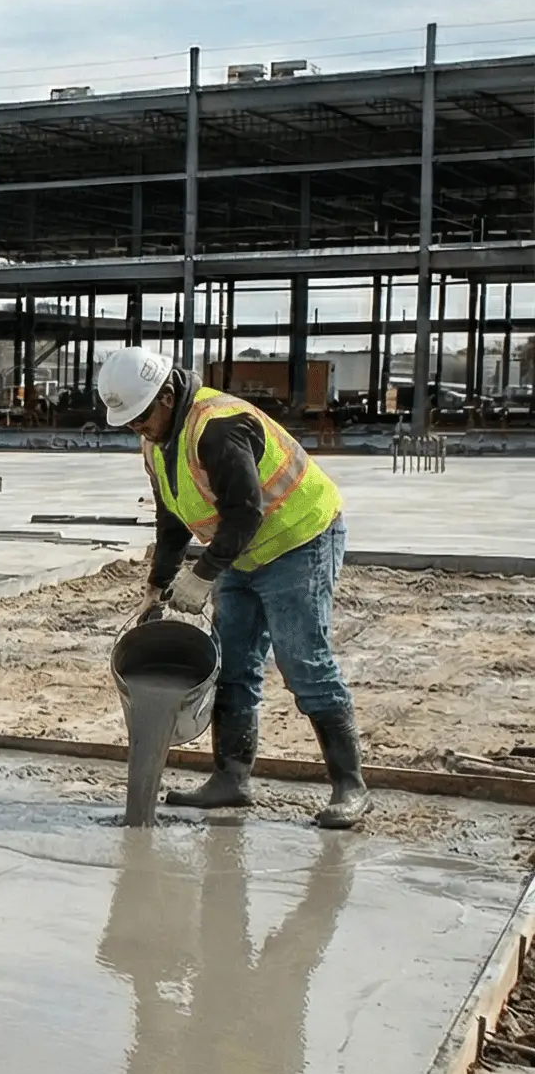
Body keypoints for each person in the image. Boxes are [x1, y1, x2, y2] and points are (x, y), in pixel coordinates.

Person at [99, 347, 365, 828]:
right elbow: (173, 518)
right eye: (129, 423)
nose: (137, 428)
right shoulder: (156, 442)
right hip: (242, 550)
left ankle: (349, 786)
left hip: (298, 538)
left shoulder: (217, 427)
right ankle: (231, 779)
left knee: (303, 660)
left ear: (166, 395)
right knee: (234, 665)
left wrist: (202, 576)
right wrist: (157, 585)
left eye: (140, 417)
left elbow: (245, 512)